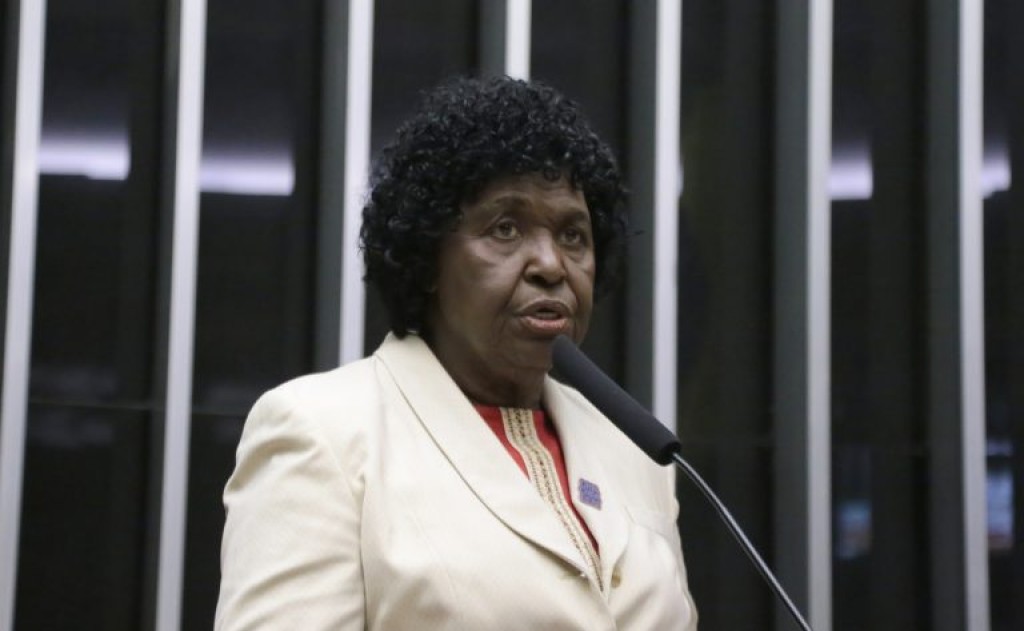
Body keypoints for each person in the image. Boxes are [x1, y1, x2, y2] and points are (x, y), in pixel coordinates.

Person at [215, 76, 698, 630]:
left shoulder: (637, 453)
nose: (551, 264)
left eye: (573, 235)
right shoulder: (323, 433)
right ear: (428, 260)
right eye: (506, 229)